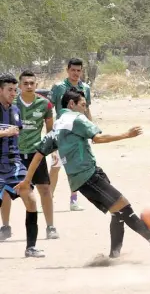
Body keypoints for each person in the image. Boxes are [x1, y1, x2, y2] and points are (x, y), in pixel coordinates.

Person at [14, 88, 150, 258]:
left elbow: (38, 155)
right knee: (124, 206)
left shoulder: (58, 126)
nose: (85, 108)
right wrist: (126, 135)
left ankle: (114, 255)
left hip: (82, 178)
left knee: (117, 212)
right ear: (71, 104)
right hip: (88, 176)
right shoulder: (76, 118)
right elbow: (98, 138)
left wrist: (26, 180)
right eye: (83, 104)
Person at [0, 71, 59, 240]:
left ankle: (50, 226)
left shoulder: (45, 104)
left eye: (32, 83)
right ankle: (5, 226)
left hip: (36, 153)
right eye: (25, 83)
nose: (29, 86)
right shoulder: (12, 102)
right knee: (6, 191)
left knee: (45, 189)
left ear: (36, 85)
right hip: (14, 155)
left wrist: (53, 150)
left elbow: (50, 130)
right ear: (19, 86)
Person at [0, 73, 44, 257]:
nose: (13, 93)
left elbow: (17, 132)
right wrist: (3, 133)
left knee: (31, 199)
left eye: (14, 89)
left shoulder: (16, 110)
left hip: (14, 163)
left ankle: (31, 247)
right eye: (9, 89)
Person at [49, 58, 92, 211]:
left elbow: (86, 109)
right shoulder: (59, 87)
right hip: (62, 133)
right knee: (55, 166)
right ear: (67, 70)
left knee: (75, 168)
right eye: (73, 70)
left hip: (78, 133)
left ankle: (73, 200)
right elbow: (49, 107)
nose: (75, 73)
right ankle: (48, 199)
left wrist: (90, 129)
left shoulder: (85, 88)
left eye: (78, 70)